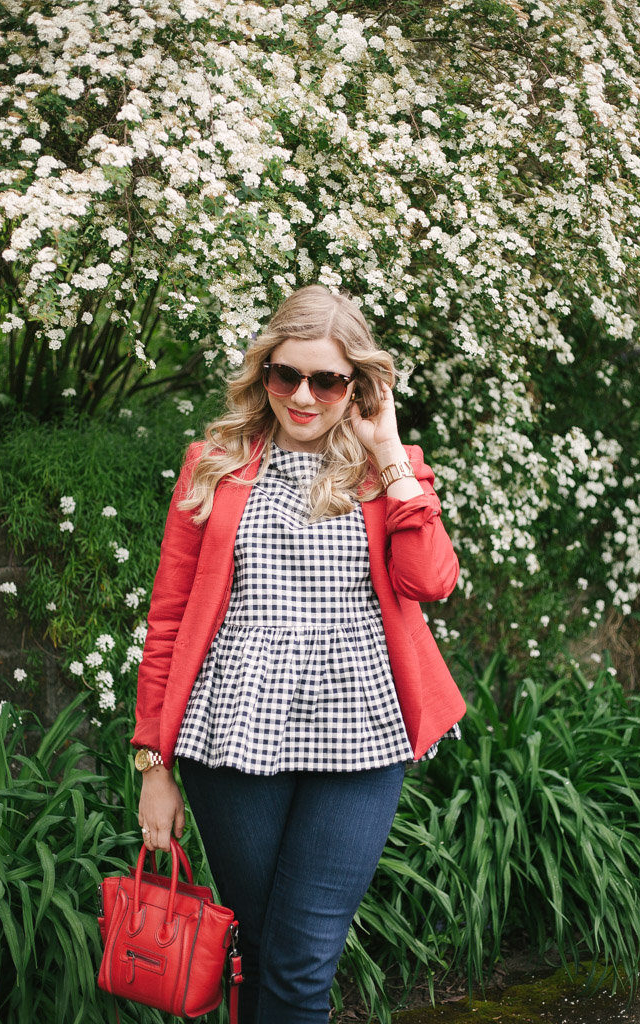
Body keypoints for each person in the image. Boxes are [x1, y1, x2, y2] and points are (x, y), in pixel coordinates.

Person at [132, 284, 466, 1024]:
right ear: (264, 374)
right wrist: (153, 765)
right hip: (232, 735)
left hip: (360, 732)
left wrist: (388, 450)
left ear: (359, 386)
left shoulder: (389, 470)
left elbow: (431, 580)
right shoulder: (213, 465)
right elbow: (167, 620)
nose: (303, 396)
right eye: (287, 375)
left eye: (327, 379)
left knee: (303, 956)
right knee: (263, 948)